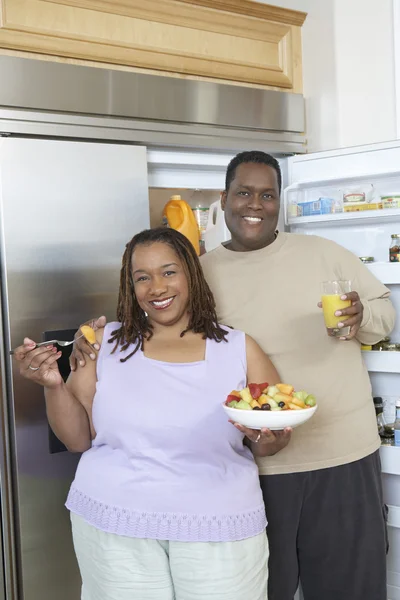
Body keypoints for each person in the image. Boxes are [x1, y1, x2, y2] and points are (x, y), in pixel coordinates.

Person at [73, 151, 396, 600]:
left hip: (341, 454)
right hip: (257, 464)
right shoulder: (197, 272)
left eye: (267, 195)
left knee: (351, 588)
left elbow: (385, 314)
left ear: (279, 201)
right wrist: (91, 332)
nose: (255, 204)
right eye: (244, 192)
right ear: (224, 199)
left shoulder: (325, 254)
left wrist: (361, 318)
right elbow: (150, 321)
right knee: (268, 587)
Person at [14, 227, 292, 600]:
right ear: (131, 286)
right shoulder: (103, 344)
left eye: (168, 272)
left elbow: (270, 437)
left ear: (191, 274)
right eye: (142, 277)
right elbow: (78, 438)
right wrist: (53, 385)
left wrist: (272, 438)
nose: (156, 288)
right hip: (113, 522)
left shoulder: (239, 348)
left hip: (218, 526)